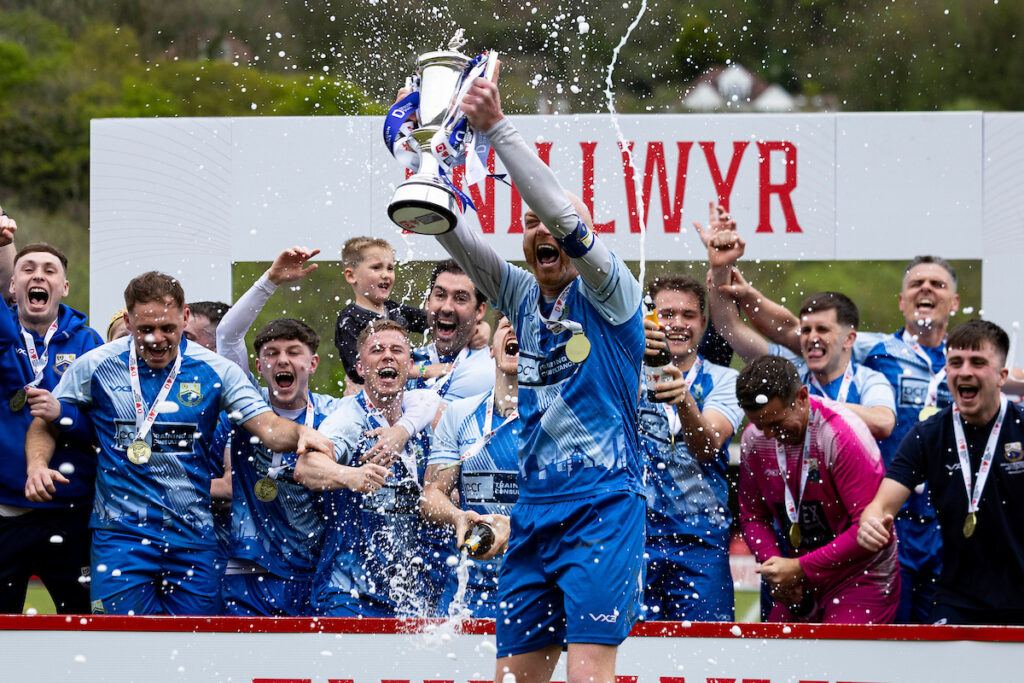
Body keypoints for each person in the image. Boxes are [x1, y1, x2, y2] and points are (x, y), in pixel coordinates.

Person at [425, 73, 646, 683]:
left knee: (587, 676)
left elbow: (564, 216)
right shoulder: (521, 293)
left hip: (602, 505)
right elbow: (459, 240)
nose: (540, 231)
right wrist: (421, 169)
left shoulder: (610, 291)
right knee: (513, 680)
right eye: (528, 225)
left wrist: (496, 128)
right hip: (531, 511)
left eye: (547, 223)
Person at [23, 271, 334, 615]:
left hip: (193, 537)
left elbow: (270, 429)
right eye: (145, 330)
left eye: (168, 329)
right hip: (120, 537)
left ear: (185, 317)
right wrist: (37, 466)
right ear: (127, 320)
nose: (157, 339)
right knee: (122, 645)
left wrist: (300, 434)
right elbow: (45, 420)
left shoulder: (216, 370)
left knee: (194, 650)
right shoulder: (96, 365)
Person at [858, 320, 1024, 625]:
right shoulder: (928, 435)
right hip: (957, 599)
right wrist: (870, 523)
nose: (964, 372)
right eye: (955, 363)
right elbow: (881, 505)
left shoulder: (1021, 426)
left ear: (1002, 376)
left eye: (978, 362)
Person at [736, 355, 899, 624]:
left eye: (776, 424)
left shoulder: (840, 434)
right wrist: (776, 565)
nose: (769, 435)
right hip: (800, 576)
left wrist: (798, 568)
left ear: (802, 396)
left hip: (860, 578)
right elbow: (753, 516)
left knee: (838, 660)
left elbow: (869, 529)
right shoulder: (754, 439)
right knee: (776, 661)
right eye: (759, 424)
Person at [297, 319, 444, 617]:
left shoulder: (420, 418)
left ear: (409, 365)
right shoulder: (348, 420)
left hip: (410, 595)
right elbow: (306, 467)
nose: (387, 356)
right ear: (361, 367)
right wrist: (350, 475)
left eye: (396, 350)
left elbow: (432, 401)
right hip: (350, 594)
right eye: (376, 350)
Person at [0, 234, 103, 614]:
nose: (37, 276)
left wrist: (65, 415)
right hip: (7, 511)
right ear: (13, 285)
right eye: (27, 270)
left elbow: (104, 425)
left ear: (64, 286)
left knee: (78, 622)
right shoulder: (1, 336)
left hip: (71, 509)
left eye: (49, 270)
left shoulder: (89, 343)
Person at [637, 273, 742, 621]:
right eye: (667, 314)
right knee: (629, 656)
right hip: (634, 538)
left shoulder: (725, 379)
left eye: (688, 315)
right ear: (649, 319)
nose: (677, 324)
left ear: (703, 322)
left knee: (706, 654)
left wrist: (684, 400)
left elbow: (708, 446)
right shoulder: (624, 377)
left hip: (700, 541)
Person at [421, 311, 521, 618]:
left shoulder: (560, 419)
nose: (514, 331)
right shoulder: (460, 413)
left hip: (535, 584)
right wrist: (456, 516)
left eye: (524, 327)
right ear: (491, 348)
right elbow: (431, 495)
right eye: (506, 325)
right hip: (469, 587)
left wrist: (518, 528)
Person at [335, 237, 429, 393]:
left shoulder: (394, 309)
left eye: (390, 268)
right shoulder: (349, 319)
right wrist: (425, 371)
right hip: (369, 400)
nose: (385, 274)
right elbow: (356, 370)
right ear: (351, 276)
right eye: (376, 267)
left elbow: (435, 322)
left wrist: (482, 327)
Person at [407, 259, 495, 404]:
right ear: (428, 302)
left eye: (460, 299)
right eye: (440, 295)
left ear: (479, 311)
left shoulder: (485, 368)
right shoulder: (410, 359)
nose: (447, 308)